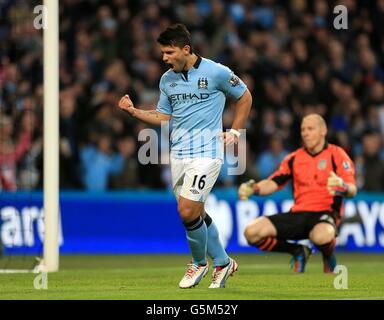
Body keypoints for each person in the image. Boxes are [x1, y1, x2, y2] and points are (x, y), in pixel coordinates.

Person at [118, 23, 252, 288]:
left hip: (207, 153)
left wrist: (235, 133)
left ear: (185, 49)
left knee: (186, 210)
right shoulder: (167, 80)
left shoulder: (217, 72)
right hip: (178, 155)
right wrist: (134, 112)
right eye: (163, 53)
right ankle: (224, 263)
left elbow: (245, 96)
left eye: (169, 52)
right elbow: (163, 117)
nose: (164, 58)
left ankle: (199, 263)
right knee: (195, 214)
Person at [238, 114, 357, 273]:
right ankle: (298, 251)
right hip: (298, 213)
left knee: (322, 237)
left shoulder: (337, 155)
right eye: (302, 129)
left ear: (323, 131)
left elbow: (352, 189)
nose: (305, 133)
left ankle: (328, 255)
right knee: (251, 232)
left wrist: (343, 187)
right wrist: (254, 189)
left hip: (325, 213)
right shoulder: (294, 158)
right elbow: (274, 183)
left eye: (310, 129)